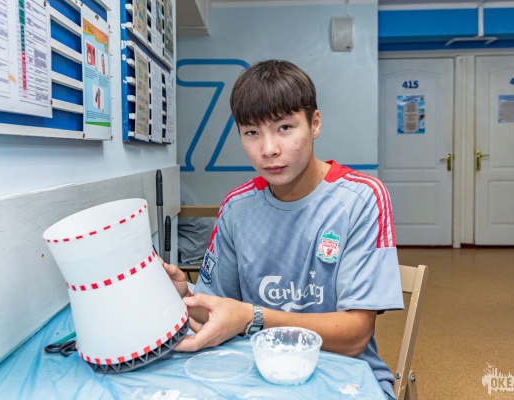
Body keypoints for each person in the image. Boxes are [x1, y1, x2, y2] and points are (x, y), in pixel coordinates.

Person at [162, 60, 404, 399]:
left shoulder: (360, 198)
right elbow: (216, 310)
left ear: (314, 123)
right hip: (257, 372)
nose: (268, 149)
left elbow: (355, 337)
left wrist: (252, 317)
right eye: (251, 132)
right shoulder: (236, 208)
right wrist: (182, 297)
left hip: (344, 376)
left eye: (285, 128)